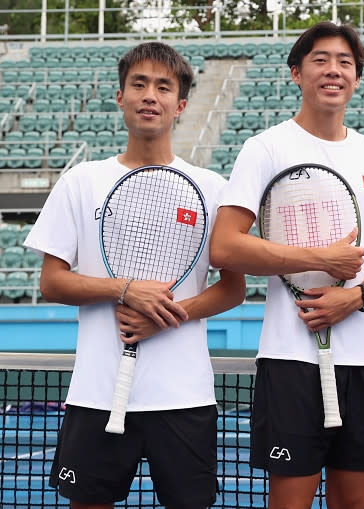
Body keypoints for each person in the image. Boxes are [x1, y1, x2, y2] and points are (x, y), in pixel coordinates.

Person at [24, 42, 246, 509]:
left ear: (180, 104)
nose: (151, 95)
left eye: (163, 87)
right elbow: (52, 282)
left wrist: (168, 314)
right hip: (97, 391)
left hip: (184, 396)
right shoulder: (79, 181)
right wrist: (125, 289)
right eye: (139, 84)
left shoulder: (213, 189)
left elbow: (233, 288)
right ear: (121, 96)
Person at [209, 21, 364, 509]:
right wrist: (319, 259)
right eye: (320, 60)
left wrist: (355, 297)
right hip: (290, 360)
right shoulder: (265, 148)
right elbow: (225, 247)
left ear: (357, 78)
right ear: (296, 73)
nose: (333, 70)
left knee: (355, 503)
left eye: (345, 62)